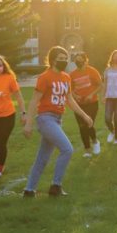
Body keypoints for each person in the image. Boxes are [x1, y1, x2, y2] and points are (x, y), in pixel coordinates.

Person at [22, 46, 93, 198]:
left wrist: (84, 115)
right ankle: (56, 186)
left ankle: (29, 190)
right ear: (53, 59)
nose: (64, 61)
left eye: (65, 58)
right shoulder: (45, 77)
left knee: (42, 158)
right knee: (67, 149)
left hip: (57, 119)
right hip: (45, 118)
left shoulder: (66, 77)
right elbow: (34, 100)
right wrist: (28, 123)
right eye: (60, 58)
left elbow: (70, 100)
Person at [69, 52, 101, 158]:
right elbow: (69, 89)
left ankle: (95, 142)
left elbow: (100, 85)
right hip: (78, 105)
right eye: (76, 59)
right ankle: (87, 150)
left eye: (80, 59)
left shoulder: (92, 71)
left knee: (88, 123)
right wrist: (75, 96)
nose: (78, 61)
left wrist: (91, 95)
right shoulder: (72, 74)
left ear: (85, 60)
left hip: (92, 103)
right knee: (82, 126)